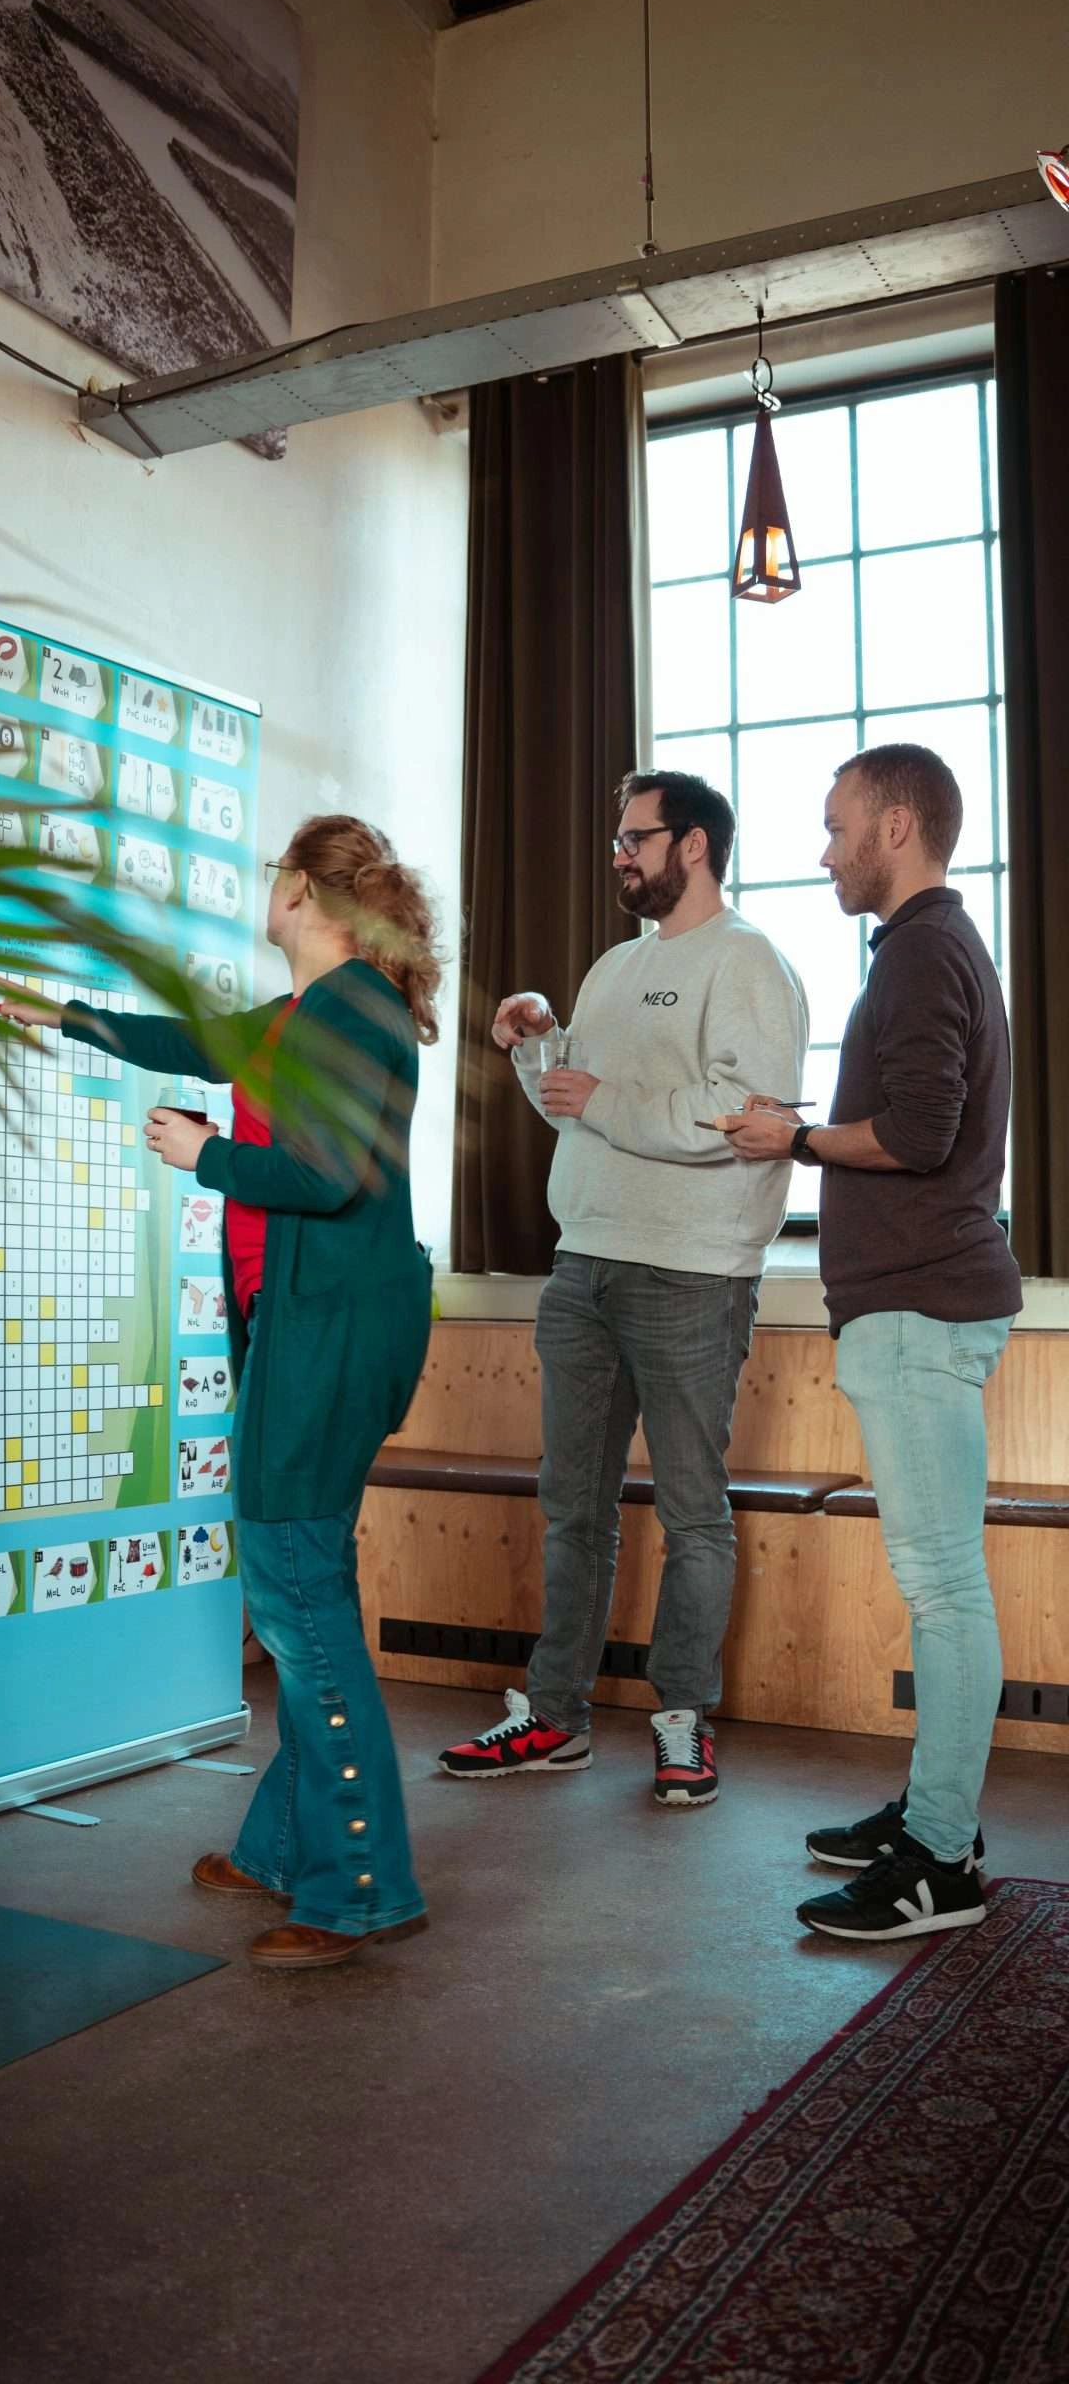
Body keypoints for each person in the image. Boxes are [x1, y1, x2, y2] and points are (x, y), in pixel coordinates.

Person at [0, 816, 439, 1971]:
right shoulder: (308, 1011)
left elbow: (327, 1177)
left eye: (273, 877)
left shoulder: (350, 1012)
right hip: (312, 1330)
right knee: (303, 1593)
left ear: (303, 893)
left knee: (300, 1603)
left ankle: (365, 1887)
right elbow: (190, 1037)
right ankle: (284, 1845)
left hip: (329, 1338)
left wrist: (206, 1154)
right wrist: (62, 1015)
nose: (264, 892)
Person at [439, 770, 808, 1808]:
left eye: (635, 838)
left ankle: (683, 1718)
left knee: (693, 1514)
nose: (618, 855)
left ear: (693, 844)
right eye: (617, 839)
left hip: (694, 1272)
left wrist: (602, 1096)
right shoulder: (613, 967)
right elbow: (577, 1109)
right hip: (584, 1265)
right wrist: (537, 1044)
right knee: (573, 1509)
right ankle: (555, 1716)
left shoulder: (749, 962)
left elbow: (741, 1113)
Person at [724, 744, 1021, 1940]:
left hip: (919, 1309)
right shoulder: (932, 948)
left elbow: (917, 1131)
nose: (825, 851)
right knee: (941, 1582)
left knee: (944, 1588)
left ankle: (938, 1862)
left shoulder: (923, 953)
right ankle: (937, 1816)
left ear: (897, 826)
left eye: (838, 826)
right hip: (919, 1306)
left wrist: (792, 1140)